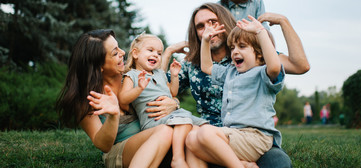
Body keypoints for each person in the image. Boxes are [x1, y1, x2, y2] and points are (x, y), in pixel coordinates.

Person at [162, 3, 310, 167]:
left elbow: (286, 66)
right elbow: (206, 67)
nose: (207, 29)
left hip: (252, 136)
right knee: (191, 139)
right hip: (216, 136)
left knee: (277, 162)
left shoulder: (258, 61)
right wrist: (170, 52)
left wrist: (267, 29)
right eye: (201, 26)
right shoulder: (229, 69)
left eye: (212, 22)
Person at [56, 29, 175, 168]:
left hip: (157, 141)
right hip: (121, 151)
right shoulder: (85, 99)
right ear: (99, 65)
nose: (123, 52)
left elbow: (162, 88)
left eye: (119, 47)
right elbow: (103, 145)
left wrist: (174, 103)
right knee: (165, 131)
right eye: (115, 52)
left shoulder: (131, 76)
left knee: (186, 136)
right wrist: (113, 116)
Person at [186, 15, 285, 167]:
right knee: (191, 139)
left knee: (205, 132)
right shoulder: (230, 72)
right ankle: (243, 164)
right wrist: (205, 41)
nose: (235, 52)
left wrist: (261, 32)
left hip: (255, 137)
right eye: (232, 47)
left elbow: (274, 67)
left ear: (259, 53)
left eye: (242, 46)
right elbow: (207, 67)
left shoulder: (262, 73)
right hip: (234, 134)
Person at [118, 33, 207, 168]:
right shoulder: (132, 75)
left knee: (202, 127)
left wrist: (175, 76)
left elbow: (172, 92)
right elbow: (123, 99)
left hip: (173, 115)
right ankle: (178, 158)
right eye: (150, 50)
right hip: (153, 121)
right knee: (184, 120)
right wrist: (139, 88)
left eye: (159, 53)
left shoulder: (159, 74)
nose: (156, 55)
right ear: (135, 54)